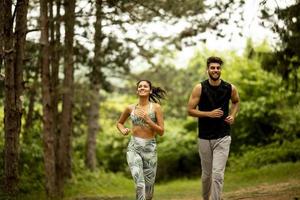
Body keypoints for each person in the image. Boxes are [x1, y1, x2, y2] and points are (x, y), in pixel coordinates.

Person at [187, 56, 240, 200]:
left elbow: (236, 102)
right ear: (207, 70)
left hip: (223, 136)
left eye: (218, 68)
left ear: (220, 70)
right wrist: (208, 114)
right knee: (206, 175)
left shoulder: (230, 88)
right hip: (204, 137)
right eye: (213, 68)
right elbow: (190, 110)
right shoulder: (200, 88)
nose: (215, 70)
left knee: (217, 174)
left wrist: (233, 115)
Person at [116, 80, 166, 200]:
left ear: (150, 90)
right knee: (139, 184)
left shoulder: (156, 108)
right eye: (140, 86)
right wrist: (122, 130)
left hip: (150, 149)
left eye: (145, 86)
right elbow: (119, 123)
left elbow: (161, 132)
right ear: (137, 90)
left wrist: (149, 121)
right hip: (134, 147)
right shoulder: (130, 108)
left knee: (148, 190)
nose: (142, 88)